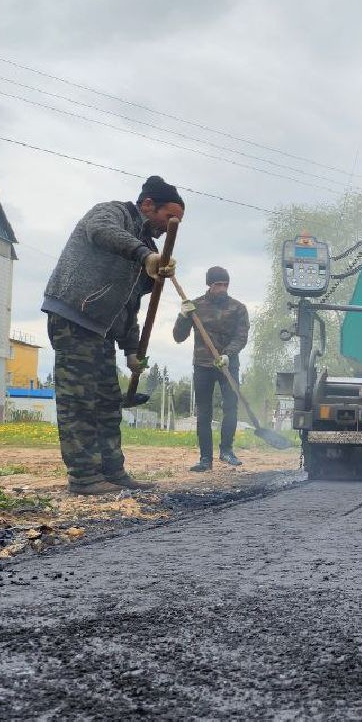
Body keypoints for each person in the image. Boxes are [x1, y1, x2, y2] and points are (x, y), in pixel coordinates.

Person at [40, 176, 182, 495]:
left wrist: (131, 349)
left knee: (107, 402)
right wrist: (144, 256)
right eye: (168, 216)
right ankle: (84, 477)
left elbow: (129, 303)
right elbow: (101, 232)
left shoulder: (149, 250)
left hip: (101, 329)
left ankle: (112, 472)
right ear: (148, 205)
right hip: (73, 315)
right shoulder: (113, 214)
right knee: (79, 401)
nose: (170, 225)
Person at [173, 266, 250, 472]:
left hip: (228, 365)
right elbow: (178, 337)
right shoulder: (195, 307)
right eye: (218, 285)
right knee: (204, 412)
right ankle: (205, 459)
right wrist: (182, 316)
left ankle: (227, 451)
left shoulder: (238, 308)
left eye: (225, 284)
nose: (222, 288)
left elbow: (241, 336)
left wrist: (228, 354)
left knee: (231, 407)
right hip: (203, 366)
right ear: (210, 284)